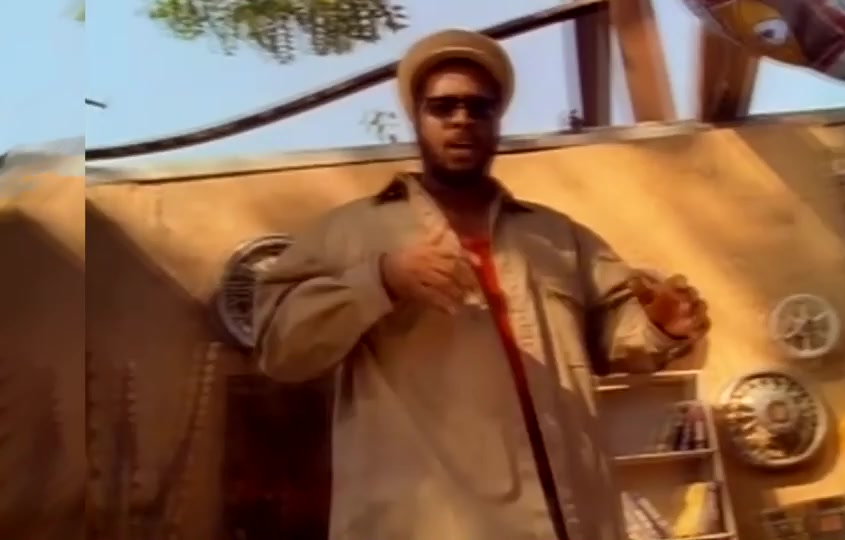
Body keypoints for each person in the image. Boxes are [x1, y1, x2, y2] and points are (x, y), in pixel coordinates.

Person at [253, 29, 710, 540]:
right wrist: (380, 279)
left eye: (479, 107)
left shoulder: (560, 237)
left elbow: (613, 338)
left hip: (576, 517)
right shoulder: (349, 232)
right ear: (416, 118)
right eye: (442, 107)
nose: (461, 119)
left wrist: (660, 327)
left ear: (496, 121)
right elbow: (280, 349)